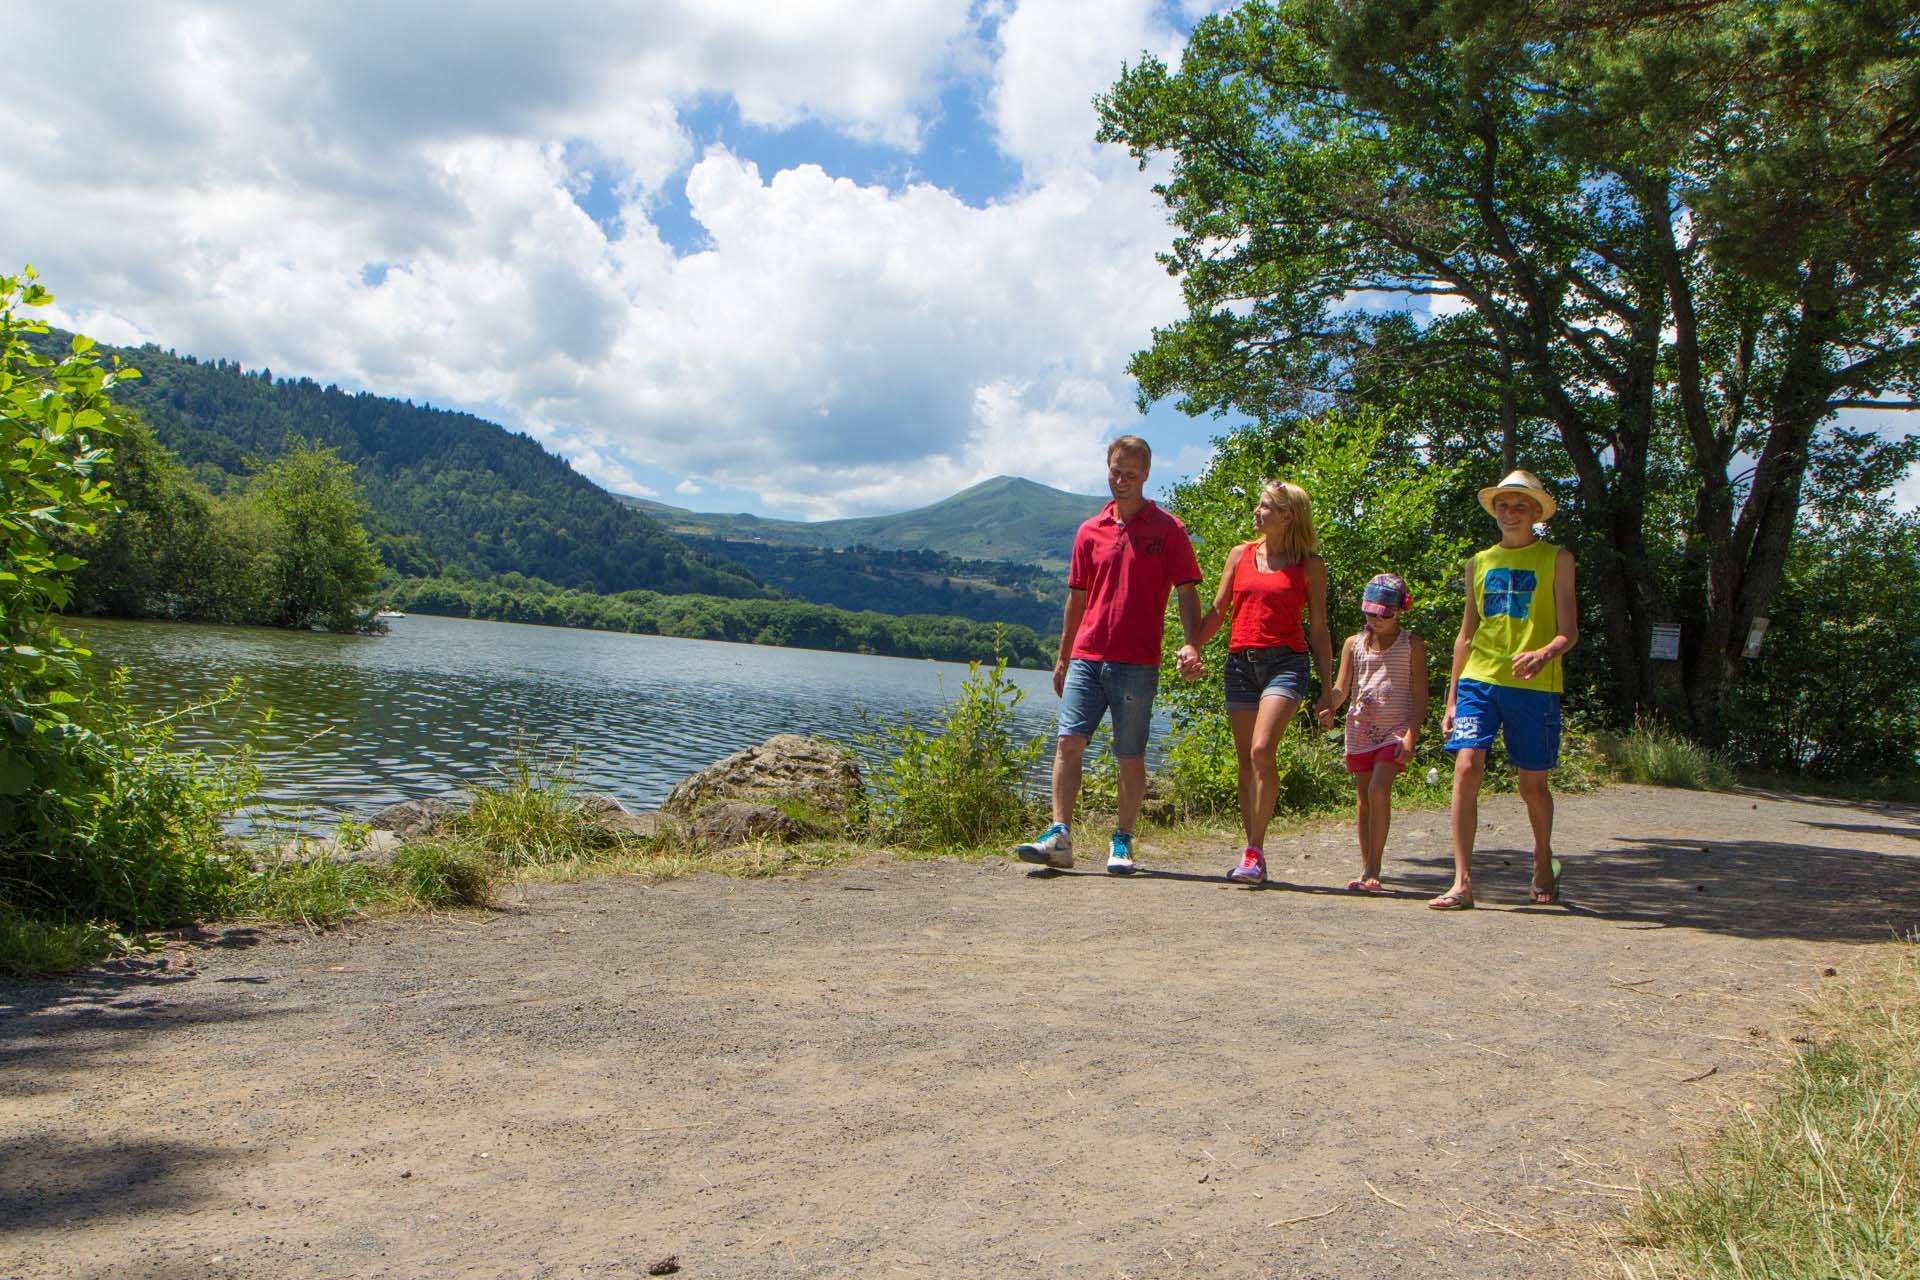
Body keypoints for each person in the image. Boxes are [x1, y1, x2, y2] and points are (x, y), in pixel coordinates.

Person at [1014, 436, 1204, 873]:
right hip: (1087, 656)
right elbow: (1076, 600)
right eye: (1116, 471)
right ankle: (1059, 835)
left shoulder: (1168, 530)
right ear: (1108, 467)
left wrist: (1192, 642)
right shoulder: (1089, 531)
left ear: (1146, 475)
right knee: (1068, 742)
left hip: (1137, 662)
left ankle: (1122, 840)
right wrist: (1063, 657)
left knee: (1130, 754)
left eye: (1131, 475)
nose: (1121, 481)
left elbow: (1187, 593)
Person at [1432, 469, 1578, 910]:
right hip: (1481, 678)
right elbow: (1465, 634)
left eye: (1519, 506)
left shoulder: (1556, 558)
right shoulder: (1479, 562)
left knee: (1532, 784)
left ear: (1535, 512)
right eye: (1503, 505)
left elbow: (1569, 631)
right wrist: (1452, 699)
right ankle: (1462, 881)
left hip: (1535, 685)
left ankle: (1541, 855)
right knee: (1466, 766)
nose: (1510, 512)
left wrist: (1544, 653)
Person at [1186, 480, 1333, 885]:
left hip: (1287, 663)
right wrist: (1192, 646)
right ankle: (1253, 853)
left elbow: (1318, 629)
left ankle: (1255, 850)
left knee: (1263, 750)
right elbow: (1217, 611)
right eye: (1259, 505)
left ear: (1288, 515)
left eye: (1266, 506)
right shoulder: (1240, 555)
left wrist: (1329, 687)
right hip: (1240, 665)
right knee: (1246, 764)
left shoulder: (1310, 565)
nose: (1257, 511)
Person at [1318, 573, 1428, 893]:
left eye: (1385, 614)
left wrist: (1411, 735)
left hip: (1396, 729)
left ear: (1400, 611)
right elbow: (1341, 688)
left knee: (1379, 789)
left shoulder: (1412, 645)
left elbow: (1420, 695)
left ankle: (1375, 867)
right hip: (1360, 729)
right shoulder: (1354, 644)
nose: (1377, 619)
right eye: (1370, 612)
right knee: (1364, 798)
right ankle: (1366, 866)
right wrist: (1330, 706)